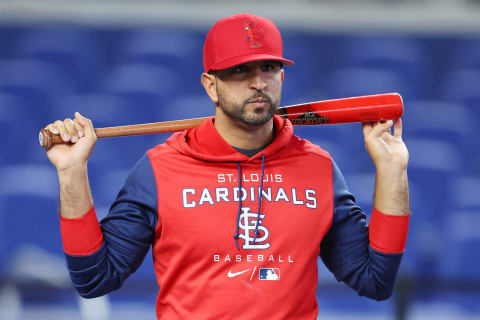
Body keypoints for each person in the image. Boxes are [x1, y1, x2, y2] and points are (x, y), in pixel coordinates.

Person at [44, 13, 410, 319]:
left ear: (281, 77)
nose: (257, 81)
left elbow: (375, 280)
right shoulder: (159, 170)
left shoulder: (318, 168)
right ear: (210, 85)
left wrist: (392, 169)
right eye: (239, 70)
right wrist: (71, 171)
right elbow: (94, 280)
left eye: (268, 67)